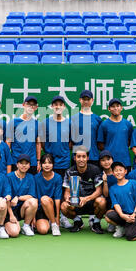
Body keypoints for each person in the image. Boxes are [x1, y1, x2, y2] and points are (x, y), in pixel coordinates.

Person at [38, 95, 72, 229]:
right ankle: (49, 215)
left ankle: (62, 217)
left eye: (60, 104)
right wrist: (49, 155)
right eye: (55, 104)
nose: (58, 106)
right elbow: (42, 142)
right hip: (50, 163)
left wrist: (62, 151)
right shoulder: (45, 122)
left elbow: (70, 143)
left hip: (64, 162)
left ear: (64, 107)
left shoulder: (69, 123)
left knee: (64, 190)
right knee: (50, 190)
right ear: (52, 107)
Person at [61, 146, 106, 234]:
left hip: (91, 202)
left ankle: (96, 222)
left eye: (83, 156)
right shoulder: (69, 172)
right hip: (76, 203)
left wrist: (86, 199)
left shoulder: (95, 170)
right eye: (78, 157)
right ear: (74, 158)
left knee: (102, 202)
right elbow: (67, 191)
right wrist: (67, 198)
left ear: (87, 158)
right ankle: (77, 221)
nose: (81, 159)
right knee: (63, 206)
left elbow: (99, 190)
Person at [104, 161, 136, 241]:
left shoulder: (133, 183)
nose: (118, 172)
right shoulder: (112, 188)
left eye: (120, 170)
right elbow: (116, 204)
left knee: (130, 237)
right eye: (116, 170)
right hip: (125, 215)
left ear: (125, 171)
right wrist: (122, 215)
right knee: (108, 216)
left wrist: (134, 214)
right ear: (113, 173)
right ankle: (124, 227)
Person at [5, 154, 39, 237]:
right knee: (14, 233)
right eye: (21, 163)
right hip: (9, 209)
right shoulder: (9, 177)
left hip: (22, 209)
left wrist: (18, 197)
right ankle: (2, 225)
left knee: (33, 201)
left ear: (29, 165)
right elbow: (6, 198)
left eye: (26, 163)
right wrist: (11, 215)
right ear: (17, 164)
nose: (24, 165)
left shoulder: (31, 177)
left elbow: (32, 196)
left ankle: (26, 226)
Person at [6, 96, 41, 175]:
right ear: (23, 105)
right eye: (28, 104)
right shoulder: (13, 122)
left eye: (33, 105)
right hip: (16, 161)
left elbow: (38, 143)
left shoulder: (37, 124)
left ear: (36, 107)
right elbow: (8, 143)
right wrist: (8, 161)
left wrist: (38, 161)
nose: (30, 107)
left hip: (32, 163)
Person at [97, 98, 134, 172]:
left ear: (121, 108)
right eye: (113, 106)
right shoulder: (104, 125)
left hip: (125, 161)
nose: (115, 108)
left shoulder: (128, 124)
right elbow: (100, 144)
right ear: (109, 109)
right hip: (109, 163)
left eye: (117, 106)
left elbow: (129, 141)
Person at [70, 90, 103, 166]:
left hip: (93, 157)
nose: (86, 101)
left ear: (92, 100)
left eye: (88, 99)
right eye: (84, 99)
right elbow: (70, 142)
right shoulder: (73, 119)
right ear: (80, 100)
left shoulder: (97, 119)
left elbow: (100, 142)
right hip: (77, 158)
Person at [34, 154, 62, 236]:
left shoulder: (57, 177)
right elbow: (34, 197)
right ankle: (49, 221)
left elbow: (57, 198)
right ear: (41, 165)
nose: (47, 165)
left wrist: (57, 217)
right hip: (40, 208)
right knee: (43, 230)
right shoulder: (36, 178)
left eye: (49, 163)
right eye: (44, 163)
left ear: (53, 164)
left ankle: (53, 225)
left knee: (45, 199)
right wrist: (33, 218)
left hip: (51, 205)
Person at [98, 150, 116, 233]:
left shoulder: (118, 172)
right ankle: (113, 222)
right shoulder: (99, 175)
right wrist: (105, 181)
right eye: (103, 160)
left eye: (108, 159)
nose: (106, 162)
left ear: (112, 160)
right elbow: (106, 194)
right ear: (100, 162)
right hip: (108, 203)